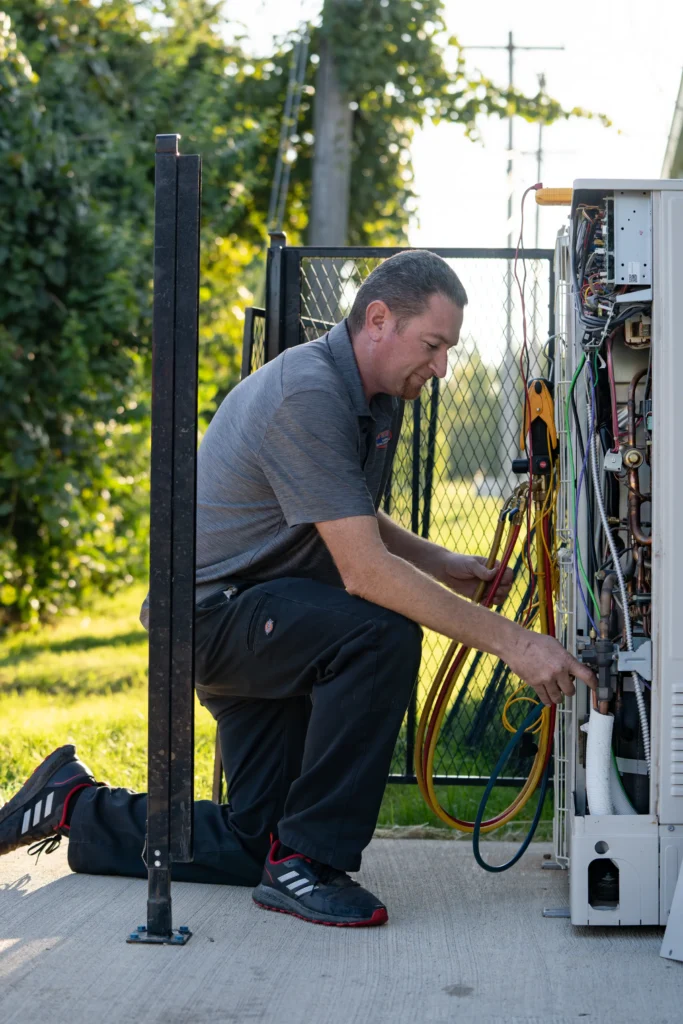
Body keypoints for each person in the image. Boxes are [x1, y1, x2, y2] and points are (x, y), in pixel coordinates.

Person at [0, 251, 596, 928]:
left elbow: (338, 507)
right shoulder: (308, 393)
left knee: (255, 839)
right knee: (380, 634)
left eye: (448, 351)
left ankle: (73, 804)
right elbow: (364, 571)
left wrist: (439, 561)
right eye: (432, 346)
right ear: (378, 319)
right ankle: (308, 864)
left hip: (266, 620)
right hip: (213, 622)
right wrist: (516, 643)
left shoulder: (374, 396)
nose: (441, 369)